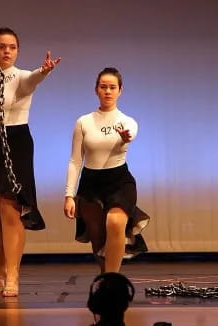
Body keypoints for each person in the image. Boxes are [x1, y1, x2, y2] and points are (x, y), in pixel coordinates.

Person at [0, 27, 61, 296]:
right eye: (2, 46)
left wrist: (45, 71)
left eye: (12, 47)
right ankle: (0, 273)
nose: (7, 51)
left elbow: (32, 81)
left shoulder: (22, 77)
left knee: (10, 211)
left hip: (14, 142)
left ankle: (14, 275)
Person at [63, 67, 149, 273]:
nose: (108, 91)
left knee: (115, 221)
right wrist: (68, 195)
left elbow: (131, 133)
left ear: (120, 91)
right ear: (96, 90)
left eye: (112, 87)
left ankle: (112, 279)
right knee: (98, 237)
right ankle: (105, 276)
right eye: (103, 87)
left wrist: (126, 136)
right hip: (90, 183)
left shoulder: (127, 121)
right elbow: (75, 160)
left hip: (119, 181)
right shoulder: (83, 121)